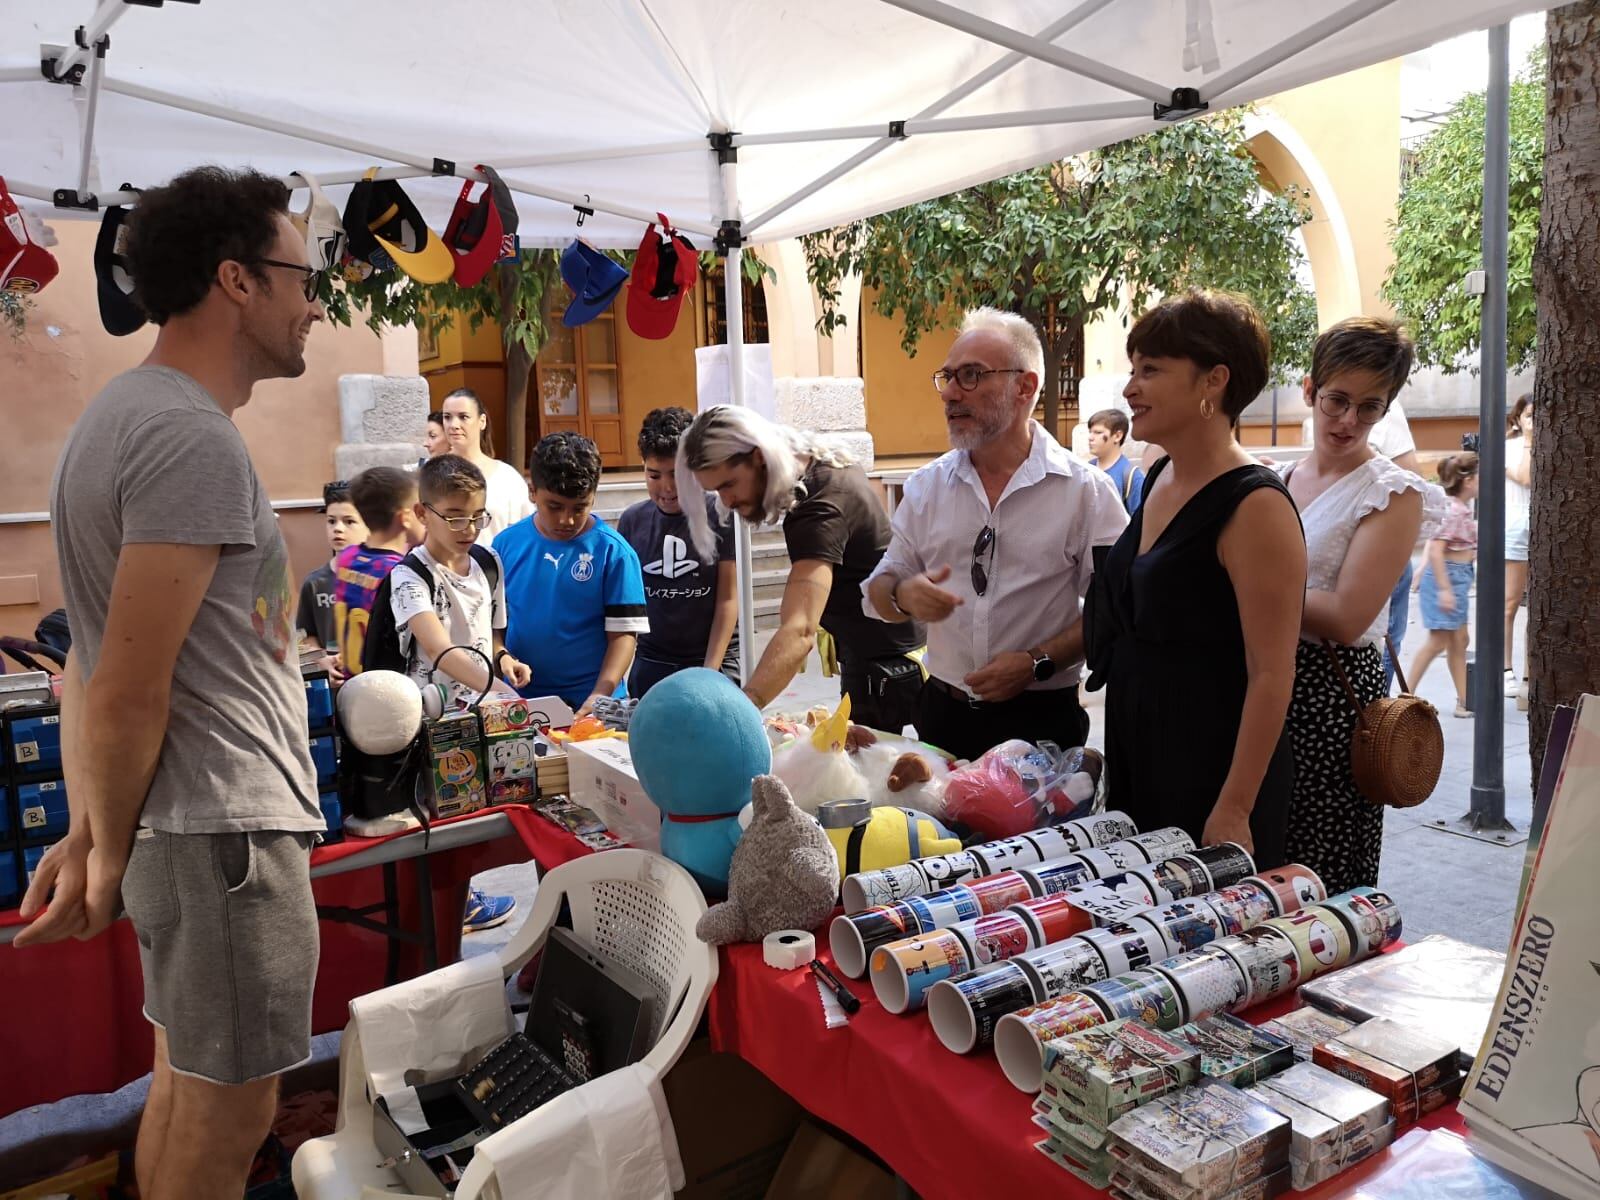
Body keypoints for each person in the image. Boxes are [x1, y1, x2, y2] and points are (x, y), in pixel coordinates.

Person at [18, 166, 328, 1199]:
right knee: (232, 1104)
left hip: (192, 830)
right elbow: (123, 687)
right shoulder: (187, 436)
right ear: (237, 281)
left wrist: (92, 833)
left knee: (186, 1085)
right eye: (300, 277)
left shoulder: (126, 417)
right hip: (225, 833)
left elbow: (89, 662)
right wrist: (99, 847)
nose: (314, 304)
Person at [1083, 290, 1306, 865]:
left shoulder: (1256, 505)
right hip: (1142, 740)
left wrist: (1233, 806)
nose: (1130, 388)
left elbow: (1272, 673)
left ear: (1214, 381)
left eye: (1151, 370)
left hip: (1212, 761)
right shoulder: (1159, 475)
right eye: (1133, 370)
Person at [862, 308, 1128, 760]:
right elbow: (878, 594)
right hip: (943, 718)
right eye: (947, 376)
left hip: (1041, 725)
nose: (948, 393)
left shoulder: (1086, 493)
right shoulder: (927, 487)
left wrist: (1036, 661)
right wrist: (905, 594)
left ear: (1024, 387)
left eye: (970, 376)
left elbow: (1115, 610)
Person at [1278, 318, 1443, 893]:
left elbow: (1349, 615)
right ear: (1309, 390)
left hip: (1330, 693)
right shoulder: (1279, 477)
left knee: (1316, 873)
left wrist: (1250, 587)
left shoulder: (1392, 491)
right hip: (1260, 682)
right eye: (1337, 401)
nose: (1348, 421)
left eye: (1369, 407)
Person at [679, 406, 924, 732]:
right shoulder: (822, 463)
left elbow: (799, 631)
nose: (726, 501)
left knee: (872, 774)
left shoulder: (818, 509)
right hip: (887, 655)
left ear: (758, 457)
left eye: (729, 485)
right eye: (716, 491)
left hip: (886, 668)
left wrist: (744, 708)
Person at [388, 454, 530, 934]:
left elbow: (491, 639)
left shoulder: (488, 563)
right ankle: (439, 928)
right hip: (435, 724)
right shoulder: (410, 576)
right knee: (444, 829)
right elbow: (441, 649)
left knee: (484, 824)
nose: (468, 528)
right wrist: (497, 686)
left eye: (477, 516)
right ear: (423, 513)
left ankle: (462, 904)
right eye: (454, 516)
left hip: (485, 717)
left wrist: (506, 662)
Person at [495, 433, 649, 715]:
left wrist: (600, 696)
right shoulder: (504, 545)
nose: (566, 520)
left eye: (579, 508)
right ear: (532, 492)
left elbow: (624, 636)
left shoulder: (614, 553)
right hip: (520, 703)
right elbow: (494, 625)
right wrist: (501, 656)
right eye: (554, 506)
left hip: (595, 704)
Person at [617, 406, 740, 697]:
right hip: (652, 660)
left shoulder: (722, 515)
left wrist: (710, 672)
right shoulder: (632, 521)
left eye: (677, 474)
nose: (668, 487)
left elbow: (728, 600)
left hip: (713, 661)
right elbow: (623, 607)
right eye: (654, 475)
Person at [332, 466, 423, 677]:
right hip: (385, 685)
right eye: (421, 509)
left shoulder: (346, 558)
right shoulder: (399, 571)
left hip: (351, 680)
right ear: (406, 517)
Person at [1408, 452, 1480, 717]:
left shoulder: (1460, 508)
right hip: (1448, 578)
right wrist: (1445, 590)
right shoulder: (1454, 510)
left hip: (1458, 577)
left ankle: (1464, 700)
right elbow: (1437, 549)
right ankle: (1406, 694)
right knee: (1438, 641)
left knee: (1459, 640)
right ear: (1469, 481)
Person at [439, 387, 534, 543]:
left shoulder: (507, 478)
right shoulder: (431, 473)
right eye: (447, 417)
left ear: (481, 421)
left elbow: (524, 532)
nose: (454, 425)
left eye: (463, 417)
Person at [297, 479, 366, 681]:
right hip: (336, 687)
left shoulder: (384, 577)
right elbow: (306, 634)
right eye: (331, 521)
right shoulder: (314, 583)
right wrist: (321, 662)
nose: (338, 528)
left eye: (349, 521)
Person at [1504, 395, 1533, 696]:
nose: (1533, 421)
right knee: (1510, 604)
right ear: (1518, 417)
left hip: (1543, 533)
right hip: (1514, 531)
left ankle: (1530, 675)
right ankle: (1505, 669)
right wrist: (1527, 440)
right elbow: (1525, 477)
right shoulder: (1508, 448)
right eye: (1528, 415)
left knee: (1538, 608)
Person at [1086, 407, 1147, 513]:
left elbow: (1138, 521)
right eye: (1090, 432)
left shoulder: (1132, 476)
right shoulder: (1086, 470)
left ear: (1117, 436)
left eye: (1098, 432)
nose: (1090, 437)